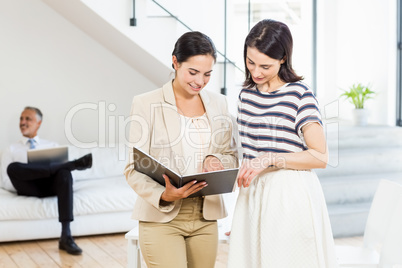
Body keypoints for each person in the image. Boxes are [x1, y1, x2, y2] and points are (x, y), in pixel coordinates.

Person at [227, 19, 338, 267]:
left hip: (289, 195)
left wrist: (270, 158)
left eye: (265, 65)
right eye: (250, 62)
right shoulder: (246, 95)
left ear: (283, 59)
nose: (255, 72)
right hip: (253, 194)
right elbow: (249, 152)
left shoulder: (299, 94)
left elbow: (320, 156)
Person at [124, 31, 238, 268]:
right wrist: (164, 195)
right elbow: (133, 169)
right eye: (193, 72)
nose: (200, 81)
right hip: (161, 217)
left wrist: (217, 161)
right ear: (175, 62)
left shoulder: (219, 103)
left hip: (206, 216)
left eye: (207, 74)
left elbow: (231, 156)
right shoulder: (146, 103)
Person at [0, 106, 93, 255]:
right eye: (21, 119)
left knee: (64, 173)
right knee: (13, 167)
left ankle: (66, 236)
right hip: (28, 187)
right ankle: (74, 164)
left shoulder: (52, 146)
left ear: (38, 123)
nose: (23, 122)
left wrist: (48, 173)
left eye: (28, 119)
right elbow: (5, 181)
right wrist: (31, 175)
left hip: (50, 186)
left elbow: (66, 181)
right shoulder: (11, 149)